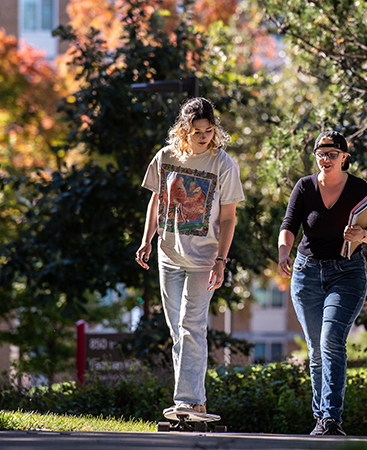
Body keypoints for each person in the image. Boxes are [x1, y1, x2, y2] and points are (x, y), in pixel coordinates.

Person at [136, 97, 244, 420]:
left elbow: (228, 218)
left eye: (208, 130)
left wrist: (222, 260)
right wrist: (146, 241)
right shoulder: (166, 157)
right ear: (183, 130)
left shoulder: (223, 164)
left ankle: (186, 399)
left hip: (204, 260)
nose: (202, 137)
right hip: (168, 256)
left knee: (191, 326)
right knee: (178, 331)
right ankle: (197, 403)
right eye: (196, 131)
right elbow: (156, 201)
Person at [277, 130, 367, 436]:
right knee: (315, 349)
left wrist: (362, 236)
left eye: (332, 154)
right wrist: (284, 251)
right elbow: (288, 226)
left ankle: (331, 418)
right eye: (321, 154)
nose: (326, 159)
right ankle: (321, 419)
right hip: (307, 273)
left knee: (330, 341)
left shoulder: (358, 187)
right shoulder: (304, 186)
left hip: (346, 272)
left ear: (344, 157)